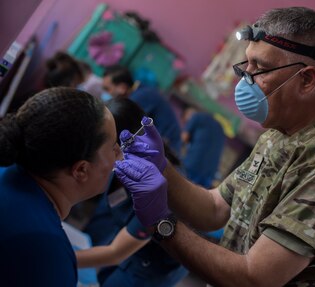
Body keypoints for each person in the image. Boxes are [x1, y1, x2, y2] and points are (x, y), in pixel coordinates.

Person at [114, 7, 315, 286]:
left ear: (306, 79)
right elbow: (215, 208)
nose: (246, 80)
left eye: (262, 68)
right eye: (247, 65)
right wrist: (161, 168)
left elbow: (256, 278)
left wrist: (162, 224)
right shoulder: (279, 132)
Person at [0, 87, 121, 286]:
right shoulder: (48, 256)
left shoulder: (7, 171)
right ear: (81, 170)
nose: (119, 154)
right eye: (113, 147)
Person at [78, 98, 187, 287]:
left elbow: (115, 253)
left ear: (119, 145)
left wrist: (62, 257)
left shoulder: (157, 186)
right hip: (131, 244)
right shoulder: (121, 164)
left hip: (151, 266)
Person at [102, 65, 182, 155]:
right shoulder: (142, 90)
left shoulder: (138, 99)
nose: (106, 94)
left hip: (170, 143)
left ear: (122, 88)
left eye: (107, 89)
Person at [181, 106, 225, 188]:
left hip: (192, 167)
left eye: (186, 122)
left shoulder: (195, 116)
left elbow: (184, 138)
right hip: (210, 174)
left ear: (187, 114)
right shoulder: (219, 126)